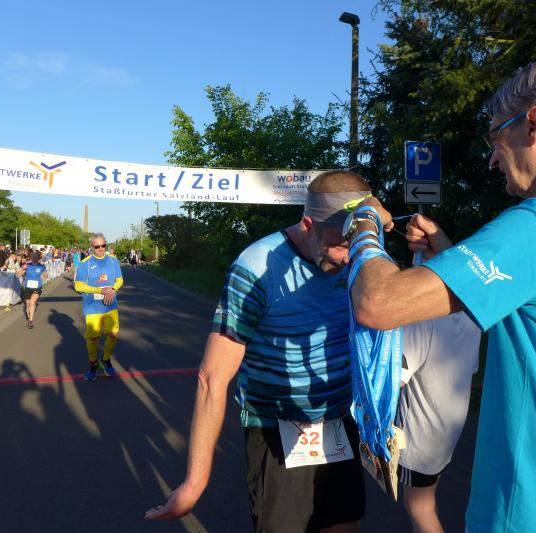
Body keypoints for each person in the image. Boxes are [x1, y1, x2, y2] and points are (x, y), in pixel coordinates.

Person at [346, 59, 536, 531]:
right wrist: (449, 252)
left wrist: (363, 223)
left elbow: (379, 302)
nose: (492, 158)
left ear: (533, 124)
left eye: (495, 137)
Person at [145, 171, 372, 533]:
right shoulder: (256, 267)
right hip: (277, 428)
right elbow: (212, 377)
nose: (348, 259)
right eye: (338, 245)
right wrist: (195, 482)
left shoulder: (363, 255)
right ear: (308, 224)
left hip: (339, 422)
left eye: (355, 245)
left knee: (344, 526)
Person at [397, 311, 480, 533]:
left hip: (420, 434)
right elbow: (472, 366)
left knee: (419, 507)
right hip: (449, 425)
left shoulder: (422, 317)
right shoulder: (469, 313)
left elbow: (397, 377)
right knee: (426, 500)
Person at [74, 234, 123, 381]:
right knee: (93, 338)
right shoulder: (85, 263)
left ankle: (106, 359)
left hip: (110, 305)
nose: (101, 249)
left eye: (103, 245)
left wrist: (112, 290)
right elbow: (78, 286)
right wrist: (100, 290)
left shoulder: (113, 261)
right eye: (97, 246)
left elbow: (120, 280)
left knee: (113, 334)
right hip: (93, 308)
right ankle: (93, 364)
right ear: (92, 247)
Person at [20, 250, 48, 329]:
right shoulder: (27, 265)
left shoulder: (42, 266)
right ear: (31, 258)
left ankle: (30, 321)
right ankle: (29, 318)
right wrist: (23, 269)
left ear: (38, 258)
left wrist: (44, 275)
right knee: (28, 305)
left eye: (36, 257)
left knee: (32, 303)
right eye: (33, 257)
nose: (34, 258)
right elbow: (18, 274)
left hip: (37, 287)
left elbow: (46, 276)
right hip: (27, 288)